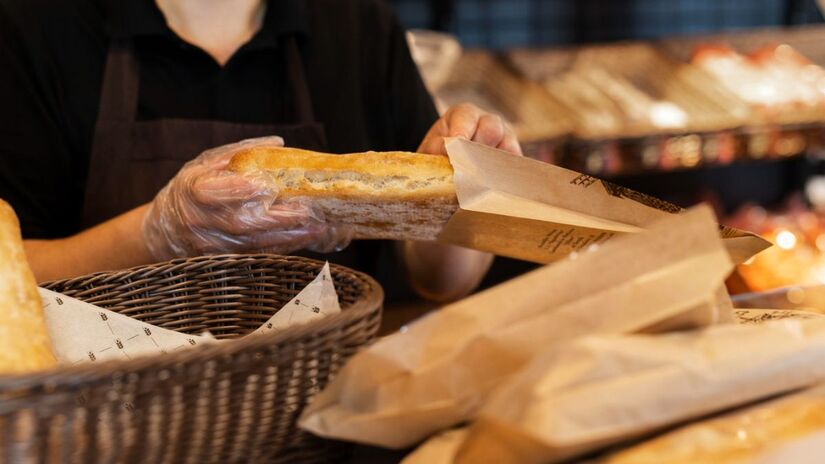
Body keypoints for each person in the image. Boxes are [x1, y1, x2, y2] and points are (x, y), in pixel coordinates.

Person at [0, 0, 521, 302]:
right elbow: (12, 279)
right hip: (103, 418)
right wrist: (158, 234)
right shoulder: (38, 27)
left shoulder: (355, 22)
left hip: (327, 411)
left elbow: (436, 280)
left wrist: (467, 191)